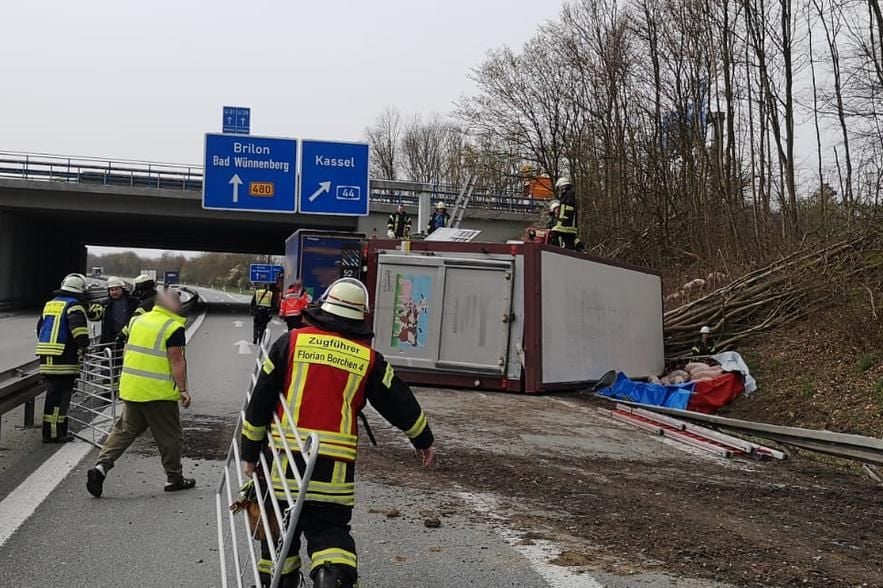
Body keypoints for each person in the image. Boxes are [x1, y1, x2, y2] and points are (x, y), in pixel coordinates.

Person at [240, 278, 435, 588]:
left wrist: (249, 453)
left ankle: (277, 583)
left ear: (325, 306)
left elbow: (260, 400)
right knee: (330, 532)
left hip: (282, 464)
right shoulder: (368, 359)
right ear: (360, 317)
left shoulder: (291, 342)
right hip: (334, 470)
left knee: (279, 530)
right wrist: (423, 439)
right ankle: (332, 579)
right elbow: (398, 401)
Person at [86, 289, 195, 498]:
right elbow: (176, 360)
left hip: (132, 388)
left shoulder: (137, 321)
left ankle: (101, 467)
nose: (180, 306)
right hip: (158, 393)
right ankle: (174, 478)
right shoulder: (173, 327)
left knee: (124, 431)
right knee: (170, 437)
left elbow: (126, 348)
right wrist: (182, 389)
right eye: (177, 302)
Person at [35, 273, 94, 443]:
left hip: (47, 355)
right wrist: (85, 346)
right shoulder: (74, 306)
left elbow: (40, 328)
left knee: (54, 394)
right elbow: (79, 333)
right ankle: (54, 433)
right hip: (64, 358)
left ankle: (55, 431)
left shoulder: (50, 304)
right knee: (60, 396)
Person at [100, 276, 138, 345]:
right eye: (112, 290)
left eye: (117, 289)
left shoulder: (133, 302)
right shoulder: (106, 304)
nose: (114, 292)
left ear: (122, 289)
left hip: (130, 339)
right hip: (111, 340)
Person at [550, 178, 580, 250]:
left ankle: (556, 250)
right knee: (570, 242)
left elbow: (566, 211)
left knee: (554, 233)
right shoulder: (569, 195)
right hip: (569, 226)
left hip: (566, 226)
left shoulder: (568, 195)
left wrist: (560, 222)